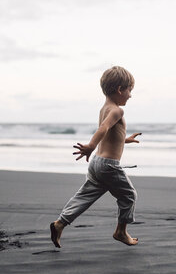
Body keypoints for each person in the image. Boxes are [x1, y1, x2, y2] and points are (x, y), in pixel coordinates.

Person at [50, 66, 141, 248]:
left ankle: (60, 223)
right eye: (130, 90)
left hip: (97, 164)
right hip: (109, 166)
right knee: (129, 196)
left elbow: (109, 135)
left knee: (84, 196)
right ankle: (121, 232)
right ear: (120, 90)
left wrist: (125, 140)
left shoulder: (104, 108)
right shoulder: (117, 110)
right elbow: (103, 129)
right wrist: (91, 145)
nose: (130, 95)